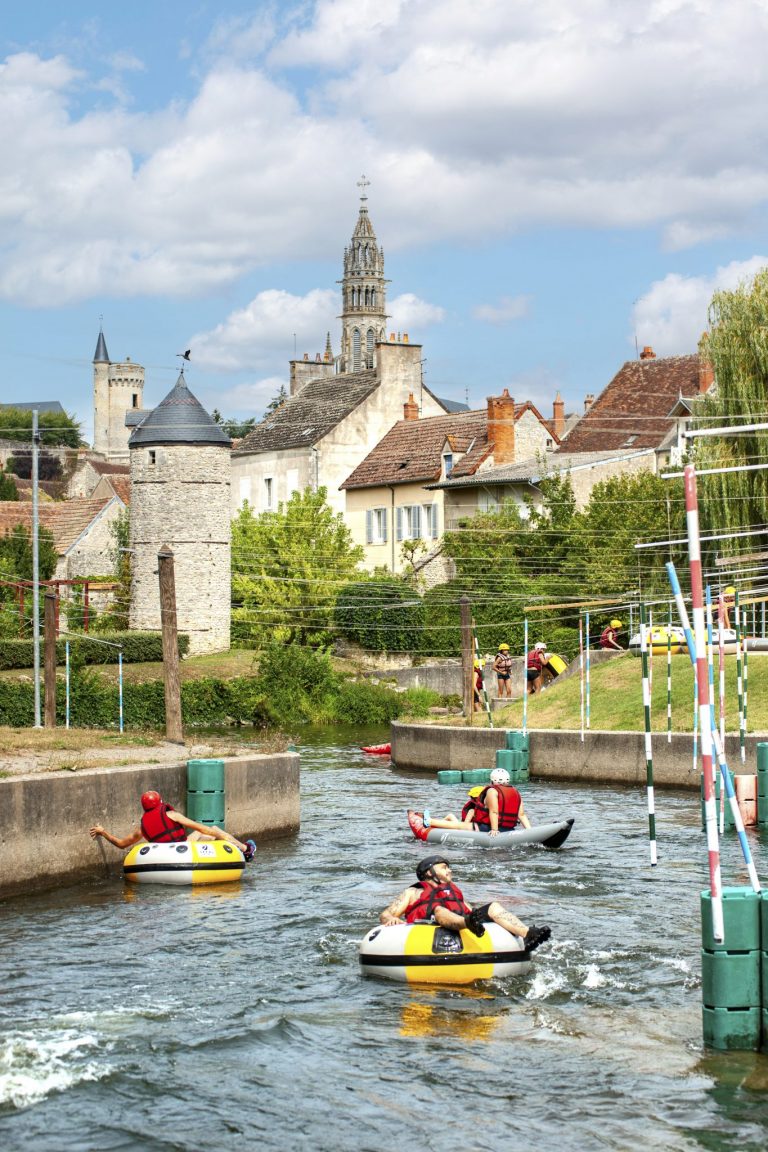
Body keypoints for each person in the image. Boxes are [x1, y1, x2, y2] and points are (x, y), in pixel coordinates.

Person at [379, 855, 552, 951]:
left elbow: (469, 910)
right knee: (438, 910)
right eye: (444, 867)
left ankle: (527, 933)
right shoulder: (413, 892)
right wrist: (391, 920)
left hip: (466, 922)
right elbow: (386, 914)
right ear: (429, 872)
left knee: (492, 907)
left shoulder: (454, 892)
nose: (450, 870)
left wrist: (480, 916)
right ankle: (467, 924)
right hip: (431, 926)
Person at [90, 790, 257, 860]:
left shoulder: (142, 828)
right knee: (212, 831)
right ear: (160, 803)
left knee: (208, 837)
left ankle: (239, 848)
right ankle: (246, 849)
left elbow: (121, 844)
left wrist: (103, 832)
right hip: (181, 849)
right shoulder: (172, 814)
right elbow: (201, 828)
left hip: (164, 856)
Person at [411, 767, 531, 837]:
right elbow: (521, 815)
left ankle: (429, 821)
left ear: (492, 780)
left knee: (459, 825)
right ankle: (431, 821)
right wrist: (530, 831)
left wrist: (494, 830)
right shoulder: (515, 792)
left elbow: (494, 812)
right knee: (461, 824)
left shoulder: (492, 791)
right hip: (509, 828)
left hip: (487, 828)